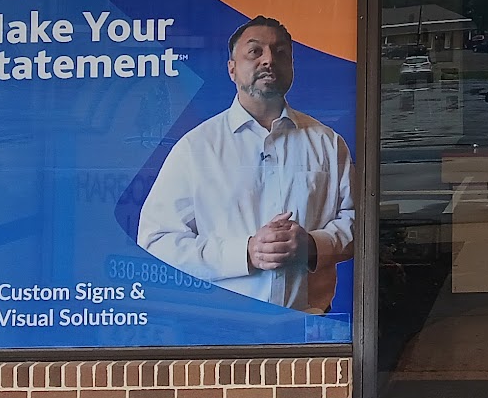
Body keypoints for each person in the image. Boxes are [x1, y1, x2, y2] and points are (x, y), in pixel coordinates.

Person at [136, 16, 354, 313]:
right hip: (224, 325)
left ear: (292, 67)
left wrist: (313, 246)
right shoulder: (196, 148)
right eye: (255, 51)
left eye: (280, 53)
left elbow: (357, 222)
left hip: (310, 324)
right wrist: (245, 253)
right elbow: (157, 241)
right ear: (232, 69)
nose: (269, 60)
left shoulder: (327, 143)